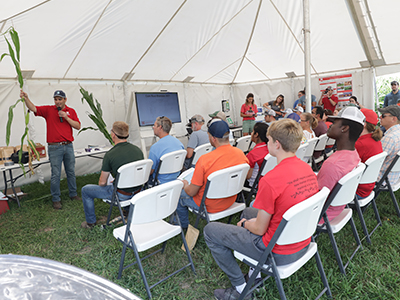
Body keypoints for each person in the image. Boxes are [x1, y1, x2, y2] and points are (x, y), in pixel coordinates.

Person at [204, 119, 319, 300]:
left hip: (277, 252)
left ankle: (240, 288)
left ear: (277, 144)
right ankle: (255, 276)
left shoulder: (271, 180)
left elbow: (259, 229)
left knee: (211, 231)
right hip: (302, 241)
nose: (267, 144)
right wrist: (249, 220)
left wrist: (245, 224)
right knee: (249, 211)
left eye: (269, 140)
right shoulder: (308, 169)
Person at [175, 119, 249, 229]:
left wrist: (185, 185)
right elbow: (246, 176)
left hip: (209, 205)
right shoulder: (240, 154)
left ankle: (182, 227)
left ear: (213, 139)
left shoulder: (205, 159)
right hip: (230, 199)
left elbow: (191, 192)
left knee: (179, 195)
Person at [20, 89, 81, 210]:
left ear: (65, 100)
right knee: (56, 174)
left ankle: (73, 194)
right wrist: (26, 99)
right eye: (56, 99)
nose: (57, 102)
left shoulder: (71, 111)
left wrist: (66, 117)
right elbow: (34, 108)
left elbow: (78, 126)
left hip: (68, 146)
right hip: (54, 147)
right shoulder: (49, 110)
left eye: (60, 99)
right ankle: (56, 199)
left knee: (71, 172)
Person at [80, 122, 144, 228]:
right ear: (127, 135)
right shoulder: (138, 150)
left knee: (86, 190)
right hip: (138, 191)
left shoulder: (110, 155)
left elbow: (102, 183)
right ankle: (127, 212)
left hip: (121, 194)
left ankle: (90, 223)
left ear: (113, 134)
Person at [317, 106, 363, 223]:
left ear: (344, 128)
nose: (330, 125)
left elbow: (318, 200)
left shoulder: (333, 164)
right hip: (337, 208)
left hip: (321, 214)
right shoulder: (354, 154)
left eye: (334, 122)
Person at [354, 109, 383, 198]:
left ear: (364, 124)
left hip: (355, 190)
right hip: (367, 188)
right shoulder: (376, 140)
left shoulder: (360, 144)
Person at [148, 116, 184, 184]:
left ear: (160, 127)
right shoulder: (179, 144)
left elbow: (150, 171)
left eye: (155, 125)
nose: (153, 127)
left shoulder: (155, 148)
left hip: (160, 182)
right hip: (176, 180)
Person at [377, 105, 400, 185]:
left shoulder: (390, 138)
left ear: (394, 119)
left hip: (382, 178)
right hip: (395, 176)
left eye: (383, 115)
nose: (380, 117)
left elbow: (376, 162)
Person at [245, 123, 269, 187]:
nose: (251, 134)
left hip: (255, 184)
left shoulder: (252, 154)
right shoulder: (270, 149)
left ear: (256, 134)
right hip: (267, 181)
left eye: (252, 132)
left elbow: (248, 176)